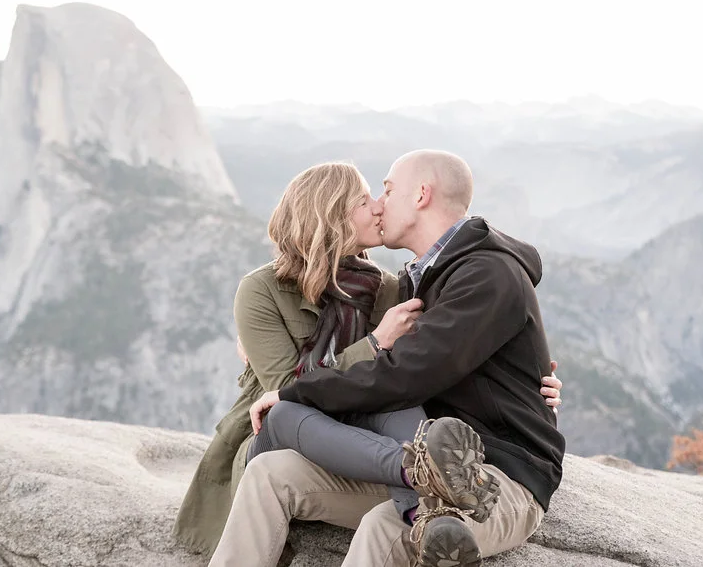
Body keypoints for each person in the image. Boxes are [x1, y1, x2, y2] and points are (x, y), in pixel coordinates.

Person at [172, 160, 563, 558]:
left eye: (386, 191)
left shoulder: (407, 286)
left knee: (380, 464)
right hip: (308, 434)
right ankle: (418, 476)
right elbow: (304, 385)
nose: (379, 204)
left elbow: (412, 370)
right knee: (276, 439)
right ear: (332, 213)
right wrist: (372, 344)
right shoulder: (269, 289)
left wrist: (531, 384)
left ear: (421, 195)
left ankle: (420, 490)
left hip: (433, 450)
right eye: (367, 199)